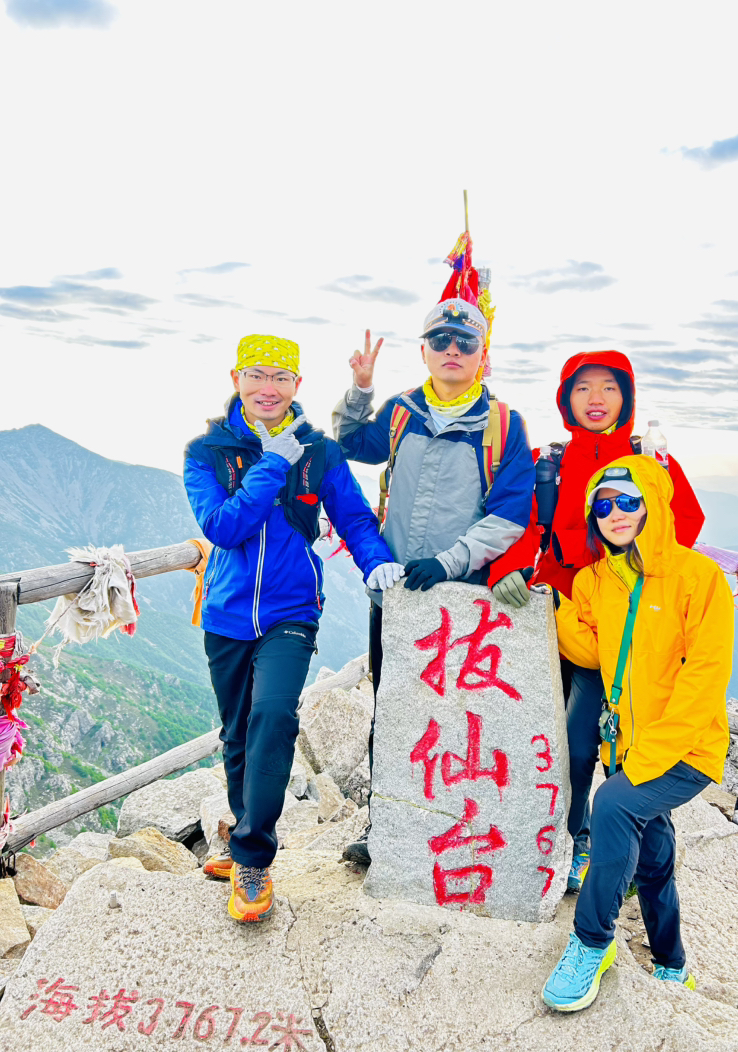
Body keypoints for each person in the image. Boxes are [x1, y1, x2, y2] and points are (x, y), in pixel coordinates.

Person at [184, 334, 401, 922]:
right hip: (227, 614)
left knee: (274, 716)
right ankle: (242, 834)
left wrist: (376, 561)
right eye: (256, 374)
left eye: (280, 377)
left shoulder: (319, 451)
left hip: (292, 611)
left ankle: (253, 859)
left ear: (297, 385)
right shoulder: (207, 452)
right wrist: (273, 463)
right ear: (236, 378)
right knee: (236, 733)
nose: (267, 388)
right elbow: (223, 528)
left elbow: (354, 517)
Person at [488, 351, 704, 892]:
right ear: (567, 399)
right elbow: (524, 525)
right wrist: (507, 568)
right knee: (568, 741)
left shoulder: (649, 460)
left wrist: (639, 571)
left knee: (618, 739)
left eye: (608, 387)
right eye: (582, 388)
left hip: (628, 624)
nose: (596, 399)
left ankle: (625, 848)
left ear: (625, 397)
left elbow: (685, 523)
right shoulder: (550, 462)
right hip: (560, 619)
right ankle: (571, 838)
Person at [332, 300, 536, 863]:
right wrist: (361, 390)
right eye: (440, 339)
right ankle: (386, 828)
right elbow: (352, 443)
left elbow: (510, 514)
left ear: (482, 355)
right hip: (395, 594)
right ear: (423, 350)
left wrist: (450, 562)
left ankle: (454, 830)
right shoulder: (401, 411)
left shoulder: (504, 426)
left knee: (460, 718)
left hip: (462, 599)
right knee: (393, 709)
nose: (452, 350)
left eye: (465, 342)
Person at [542, 455, 733, 1012]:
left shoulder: (698, 578)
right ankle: (672, 963)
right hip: (625, 743)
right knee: (652, 852)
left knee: (613, 805)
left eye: (629, 500)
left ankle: (591, 941)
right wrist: (553, 605)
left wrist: (645, 759)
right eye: (603, 505)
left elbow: (703, 680)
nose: (616, 513)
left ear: (654, 504)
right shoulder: (595, 580)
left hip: (687, 749)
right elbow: (590, 651)